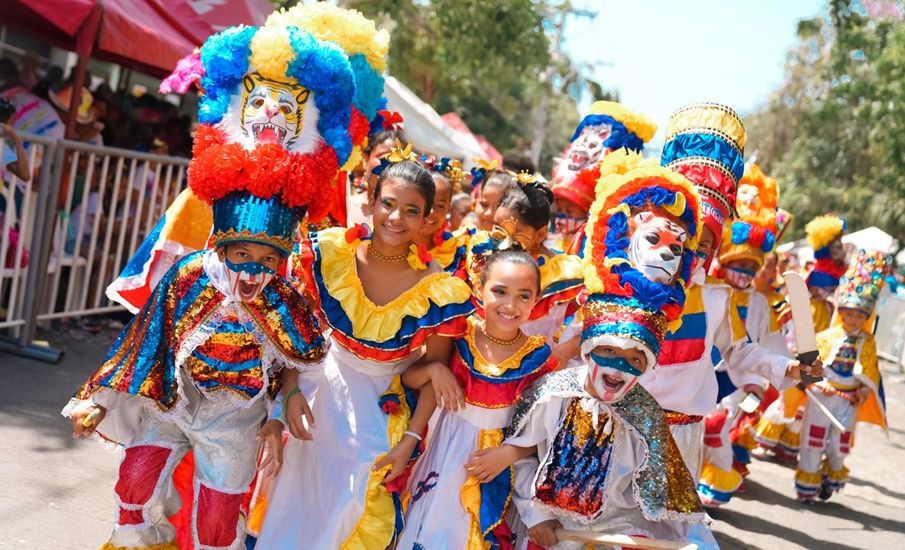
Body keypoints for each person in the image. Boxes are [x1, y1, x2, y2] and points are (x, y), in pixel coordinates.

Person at [61, 14, 370, 548]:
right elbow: (143, 339)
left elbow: (301, 353)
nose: (252, 272)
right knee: (134, 486)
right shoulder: (189, 274)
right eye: (241, 256)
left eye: (265, 261)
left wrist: (282, 406)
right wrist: (99, 398)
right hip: (171, 401)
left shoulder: (287, 287)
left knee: (218, 525)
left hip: (237, 418)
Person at [256, 158, 475, 549]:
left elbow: (434, 369)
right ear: (371, 203)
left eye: (412, 211)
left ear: (427, 220)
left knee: (355, 505)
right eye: (388, 203)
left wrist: (409, 440)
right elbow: (300, 339)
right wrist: (290, 393)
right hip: (318, 395)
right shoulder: (332, 254)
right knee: (297, 505)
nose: (396, 217)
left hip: (381, 410)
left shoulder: (439, 286)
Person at [505, 153, 717, 549]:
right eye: (608, 352)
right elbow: (521, 455)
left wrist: (689, 539)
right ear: (587, 350)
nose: (619, 368)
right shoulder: (555, 392)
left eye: (635, 359)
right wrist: (536, 516)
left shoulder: (647, 415)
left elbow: (662, 505)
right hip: (544, 535)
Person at [644, 103, 823, 485]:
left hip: (682, 439)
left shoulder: (715, 298)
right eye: (682, 233)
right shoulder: (625, 284)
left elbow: (739, 351)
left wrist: (789, 368)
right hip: (621, 431)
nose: (691, 248)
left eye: (704, 241)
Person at [396, 248, 558, 549]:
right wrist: (434, 369)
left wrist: (511, 454)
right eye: (500, 291)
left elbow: (547, 431)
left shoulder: (539, 359)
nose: (511, 305)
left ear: (536, 301)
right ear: (479, 289)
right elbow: (407, 379)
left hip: (491, 467)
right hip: (442, 451)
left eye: (524, 296)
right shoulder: (458, 335)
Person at [698, 201, 791, 507]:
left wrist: (782, 373)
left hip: (741, 382)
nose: (745, 272)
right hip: (702, 374)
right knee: (697, 432)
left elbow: (768, 345)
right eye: (739, 264)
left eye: (752, 267)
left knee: (717, 429)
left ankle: (716, 485)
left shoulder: (761, 305)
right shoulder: (708, 292)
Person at [793, 250, 889, 502]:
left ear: (866, 317)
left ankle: (828, 475)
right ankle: (807, 488)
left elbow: (869, 372)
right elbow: (810, 365)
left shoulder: (867, 342)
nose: (852, 319)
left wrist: (862, 393)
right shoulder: (827, 337)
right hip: (821, 396)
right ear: (841, 311)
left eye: (858, 316)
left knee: (839, 447)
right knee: (813, 441)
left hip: (847, 400)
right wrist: (813, 382)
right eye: (848, 313)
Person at [754, 214, 848, 463]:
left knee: (804, 402)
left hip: (818, 347)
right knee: (790, 396)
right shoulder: (804, 299)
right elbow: (793, 327)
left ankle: (787, 446)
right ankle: (766, 440)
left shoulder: (828, 307)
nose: (825, 290)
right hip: (797, 344)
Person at [549, 101, 657, 255]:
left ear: (588, 212)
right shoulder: (550, 237)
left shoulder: (597, 243)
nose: (562, 217)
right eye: (560, 210)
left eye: (570, 210)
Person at [417, 156, 472, 274]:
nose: (431, 211)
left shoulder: (456, 250)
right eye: (427, 203)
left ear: (448, 210)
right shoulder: (391, 242)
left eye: (440, 206)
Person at [473, 162, 518, 231]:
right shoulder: (463, 238)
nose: (489, 213)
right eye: (484, 205)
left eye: (497, 207)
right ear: (477, 202)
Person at [0, 97, 30, 182]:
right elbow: (25, 175)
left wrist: (17, 140)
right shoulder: (2, 148)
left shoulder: (3, 148)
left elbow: (25, 175)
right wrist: (17, 140)